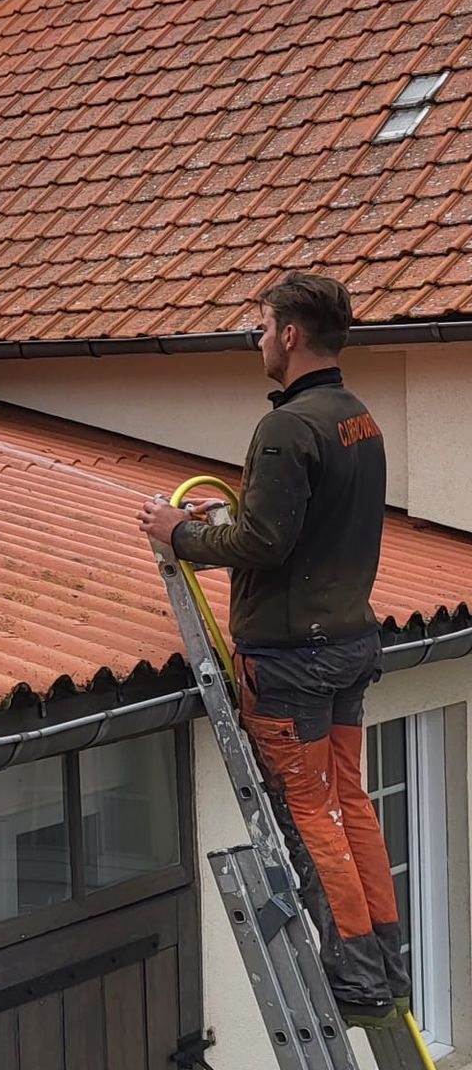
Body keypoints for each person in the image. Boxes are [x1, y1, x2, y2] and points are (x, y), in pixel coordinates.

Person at [138, 272, 408, 1024]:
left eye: (261, 327)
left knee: (312, 813)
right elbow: (298, 523)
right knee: (349, 802)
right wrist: (230, 516)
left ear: (290, 334)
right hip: (348, 642)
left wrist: (179, 534)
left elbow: (266, 543)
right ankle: (387, 965)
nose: (257, 340)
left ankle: (355, 981)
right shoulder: (357, 418)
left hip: (293, 659)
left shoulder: (288, 427)